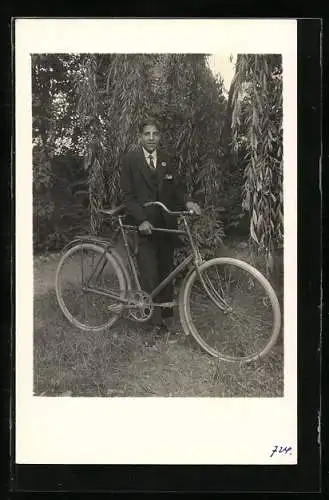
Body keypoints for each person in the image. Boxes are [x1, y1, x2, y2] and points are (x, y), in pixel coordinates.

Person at [120, 118, 201, 340]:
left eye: (155, 134)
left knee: (166, 272)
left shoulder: (166, 160)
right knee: (150, 274)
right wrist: (141, 220)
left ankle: (165, 318)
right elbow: (128, 197)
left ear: (160, 137)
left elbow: (176, 189)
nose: (151, 138)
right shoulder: (130, 160)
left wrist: (188, 203)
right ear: (140, 137)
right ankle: (153, 325)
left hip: (166, 225)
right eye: (147, 134)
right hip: (145, 225)